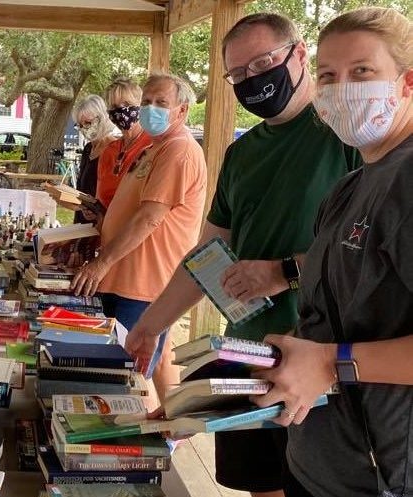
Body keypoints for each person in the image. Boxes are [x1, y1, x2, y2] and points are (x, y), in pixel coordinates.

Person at [124, 13, 361, 497]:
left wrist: (283, 272)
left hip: (320, 365)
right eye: (239, 74)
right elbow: (208, 256)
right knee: (260, 487)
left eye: (264, 63)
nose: (253, 80)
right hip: (246, 354)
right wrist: (151, 323)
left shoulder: (348, 136)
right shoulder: (242, 153)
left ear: (299, 54)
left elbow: (367, 254)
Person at [250, 8, 412, 497]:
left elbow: (333, 355)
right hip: (317, 463)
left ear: (406, 83)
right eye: (327, 76)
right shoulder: (349, 187)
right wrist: (291, 358)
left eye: (362, 72)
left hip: (377, 475)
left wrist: (329, 362)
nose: (342, 88)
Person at [71, 73, 206, 406]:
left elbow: (149, 219)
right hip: (123, 279)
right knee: (123, 373)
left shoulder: (179, 151)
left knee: (124, 384)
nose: (150, 109)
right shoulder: (154, 149)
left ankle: (147, 446)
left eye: (161, 103)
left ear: (183, 110)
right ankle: (169, 427)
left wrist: (101, 263)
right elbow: (124, 209)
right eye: (146, 101)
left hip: (144, 285)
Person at [97, 78, 153, 209]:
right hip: (107, 226)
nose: (121, 111)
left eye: (126, 104)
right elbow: (99, 198)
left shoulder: (152, 145)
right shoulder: (109, 151)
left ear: (141, 105)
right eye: (115, 107)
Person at [71, 95, 116, 224]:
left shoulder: (114, 148)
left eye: (88, 123)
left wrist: (97, 212)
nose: (83, 129)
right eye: (79, 125)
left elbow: (115, 194)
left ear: (102, 118)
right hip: (81, 222)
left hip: (102, 224)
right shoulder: (88, 148)